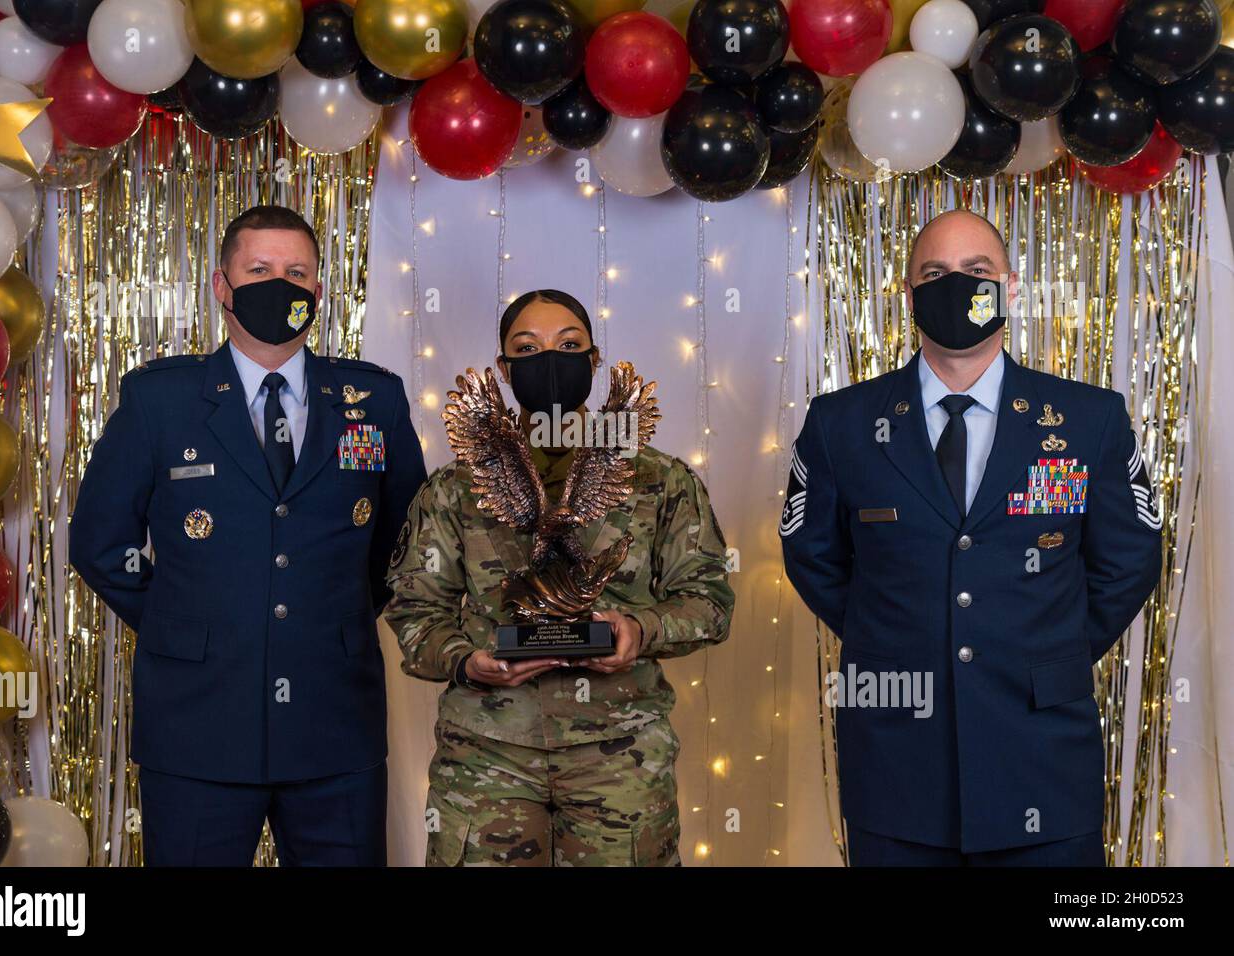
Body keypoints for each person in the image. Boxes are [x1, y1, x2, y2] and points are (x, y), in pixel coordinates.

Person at [779, 209, 1162, 866]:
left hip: (1041, 753)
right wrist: (896, 635)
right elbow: (812, 556)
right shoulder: (842, 423)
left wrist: (1049, 644)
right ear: (908, 294)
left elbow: (1128, 560)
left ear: (1009, 285)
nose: (956, 286)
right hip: (899, 763)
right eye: (935, 273)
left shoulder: (1086, 420)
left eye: (976, 272)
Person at [69, 205, 426, 866]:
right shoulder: (161, 400)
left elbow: (404, 544)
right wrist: (188, 624)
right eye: (259, 269)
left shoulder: (373, 401)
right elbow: (98, 542)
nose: (280, 285)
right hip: (197, 725)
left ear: (319, 292)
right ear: (221, 286)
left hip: (333, 723)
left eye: (297, 272)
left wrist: (331, 618)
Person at [384, 289, 734, 866]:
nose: (550, 359)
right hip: (487, 758)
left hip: (619, 758)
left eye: (569, 345)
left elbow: (709, 602)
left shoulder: (660, 480)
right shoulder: (453, 489)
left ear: (594, 361)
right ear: (503, 368)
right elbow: (415, 609)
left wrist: (639, 630)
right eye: (528, 347)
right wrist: (466, 660)